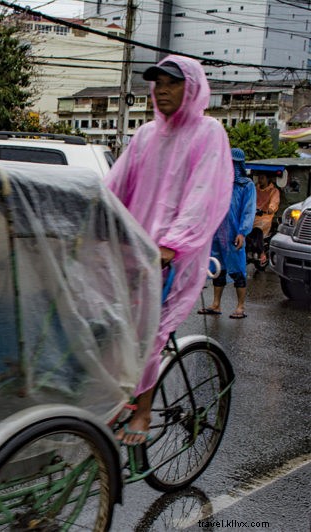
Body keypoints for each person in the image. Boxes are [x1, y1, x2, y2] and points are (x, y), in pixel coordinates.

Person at [103, 55, 233, 445]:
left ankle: (143, 411)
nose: (162, 90)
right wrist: (94, 219)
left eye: (172, 83)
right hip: (137, 249)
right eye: (157, 83)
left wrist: (172, 244)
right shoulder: (145, 135)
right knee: (108, 323)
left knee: (150, 332)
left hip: (177, 254)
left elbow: (202, 194)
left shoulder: (208, 133)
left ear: (191, 88)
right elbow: (116, 184)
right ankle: (112, 398)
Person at [198, 148, 256, 319]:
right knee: (218, 269)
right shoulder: (219, 185)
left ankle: (240, 306)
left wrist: (242, 232)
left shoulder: (246, 186)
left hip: (234, 234)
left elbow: (248, 210)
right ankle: (216, 304)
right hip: (217, 233)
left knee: (238, 270)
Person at [248, 173, 280, 267]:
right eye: (259, 178)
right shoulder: (254, 189)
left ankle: (262, 253)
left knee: (258, 230)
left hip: (265, 217)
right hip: (253, 215)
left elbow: (274, 203)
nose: (260, 180)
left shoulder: (274, 191)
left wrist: (270, 209)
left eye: (262, 178)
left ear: (267, 179)